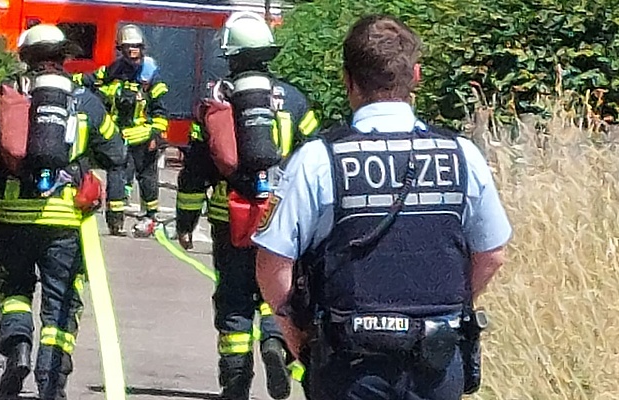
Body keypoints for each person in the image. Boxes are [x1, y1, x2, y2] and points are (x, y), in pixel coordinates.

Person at [253, 14, 513, 400]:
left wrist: (296, 333)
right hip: (435, 365)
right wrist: (446, 312)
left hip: (350, 366)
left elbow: (273, 265)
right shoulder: (462, 156)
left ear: (348, 80)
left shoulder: (318, 160)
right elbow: (491, 254)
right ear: (416, 76)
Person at [0, 24, 127, 399]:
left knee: (14, 287)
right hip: (66, 220)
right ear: (62, 56)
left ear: (27, 57)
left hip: (13, 214)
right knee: (62, 301)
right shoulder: (84, 99)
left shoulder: (4, 95)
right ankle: (50, 383)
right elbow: (116, 152)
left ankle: (18, 344)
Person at [175, 11, 320, 400]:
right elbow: (314, 159)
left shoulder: (215, 103)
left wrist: (186, 221)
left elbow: (195, 171)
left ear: (231, 55)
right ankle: (275, 344)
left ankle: (235, 383)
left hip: (231, 219)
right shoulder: (294, 99)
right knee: (279, 293)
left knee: (235, 300)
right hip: (282, 218)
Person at [74, 24, 169, 236]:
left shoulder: (150, 76)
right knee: (119, 177)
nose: (133, 52)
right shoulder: (113, 70)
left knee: (147, 179)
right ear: (121, 50)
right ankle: (115, 221)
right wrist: (66, 81)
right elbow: (89, 79)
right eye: (128, 48)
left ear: (143, 48)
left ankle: (150, 215)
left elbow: (161, 111)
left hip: (144, 139)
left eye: (136, 48)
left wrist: (156, 135)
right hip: (120, 137)